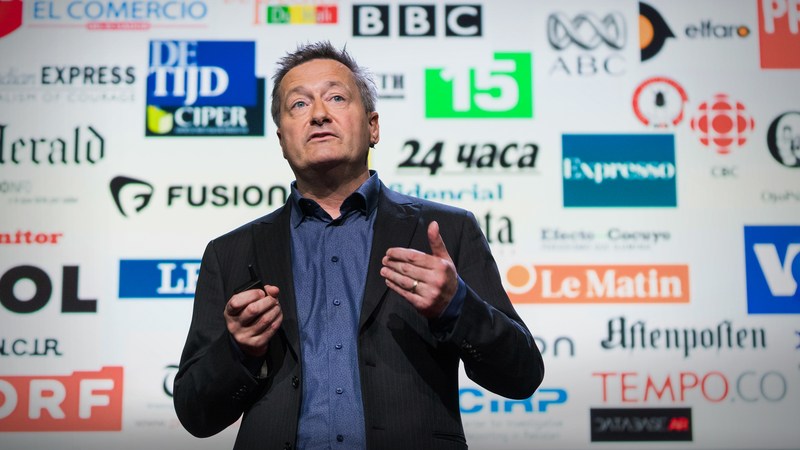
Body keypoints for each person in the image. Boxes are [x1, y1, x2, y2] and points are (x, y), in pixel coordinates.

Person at [173, 41, 544, 450]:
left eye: (336, 97)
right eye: (299, 104)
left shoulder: (447, 231)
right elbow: (195, 414)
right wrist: (238, 350)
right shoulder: (230, 252)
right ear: (281, 139)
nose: (318, 114)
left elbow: (522, 376)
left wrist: (457, 306)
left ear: (373, 127)